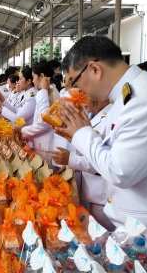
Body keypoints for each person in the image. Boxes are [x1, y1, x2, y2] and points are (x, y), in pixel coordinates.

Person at [56, 35, 147, 269]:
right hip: (131, 227)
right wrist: (81, 136)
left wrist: (83, 134)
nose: (76, 91)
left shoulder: (143, 100)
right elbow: (109, 153)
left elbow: (120, 171)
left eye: (75, 81)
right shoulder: (126, 95)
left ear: (94, 69)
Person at [51, 99, 115, 231]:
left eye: (86, 94)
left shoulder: (111, 118)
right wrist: (71, 164)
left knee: (102, 233)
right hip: (89, 187)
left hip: (102, 192)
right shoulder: (91, 116)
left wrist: (71, 160)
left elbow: (106, 160)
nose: (84, 99)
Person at [19, 62, 60, 153]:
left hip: (46, 146)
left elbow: (43, 123)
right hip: (42, 144)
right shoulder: (46, 92)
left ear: (41, 76)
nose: (33, 81)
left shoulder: (50, 93)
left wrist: (23, 130)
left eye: (33, 77)